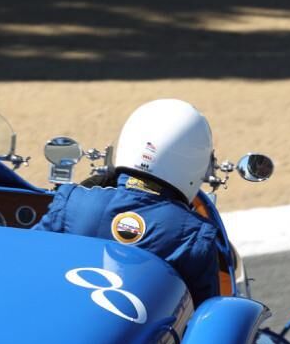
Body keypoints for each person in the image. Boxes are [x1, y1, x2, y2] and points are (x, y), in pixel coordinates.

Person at [34, 99, 223, 304]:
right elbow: (203, 316)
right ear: (195, 161)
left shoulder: (72, 201)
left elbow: (27, 256)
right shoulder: (195, 234)